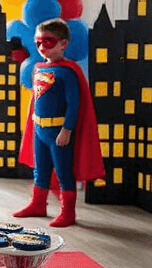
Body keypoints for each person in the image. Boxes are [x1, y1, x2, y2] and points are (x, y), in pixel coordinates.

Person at [16, 18, 103, 228]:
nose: (41, 46)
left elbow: (75, 104)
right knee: (41, 169)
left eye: (48, 41)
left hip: (58, 130)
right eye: (38, 42)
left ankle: (68, 211)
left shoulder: (68, 71)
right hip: (39, 128)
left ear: (63, 43)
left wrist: (67, 129)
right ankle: (38, 203)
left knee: (64, 171)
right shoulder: (39, 68)